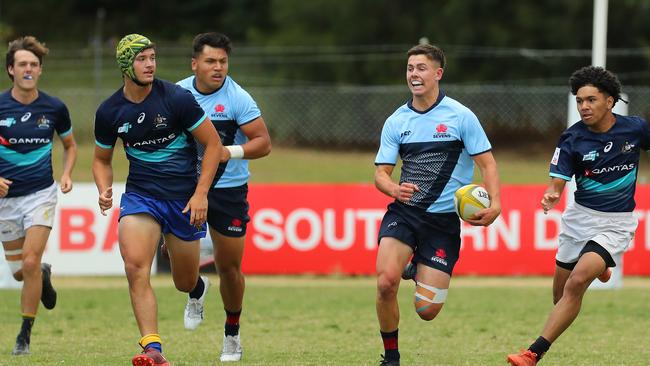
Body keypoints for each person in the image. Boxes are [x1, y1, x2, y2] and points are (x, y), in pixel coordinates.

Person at [92, 33, 222, 366]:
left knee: (182, 280)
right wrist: (103, 188)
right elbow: (101, 160)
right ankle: (153, 349)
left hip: (183, 200)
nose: (150, 64)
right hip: (141, 197)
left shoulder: (177, 98)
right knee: (136, 266)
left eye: (153, 57)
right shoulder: (109, 111)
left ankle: (196, 290)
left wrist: (201, 193)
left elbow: (213, 145)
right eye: (142, 59)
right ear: (125, 64)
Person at [506, 66, 649, 365]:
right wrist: (552, 194)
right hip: (579, 220)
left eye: (591, 100)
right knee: (560, 297)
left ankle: (533, 353)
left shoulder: (635, 129)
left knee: (576, 284)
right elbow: (557, 182)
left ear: (610, 101)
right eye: (579, 100)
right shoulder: (571, 138)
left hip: (616, 223)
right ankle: (599, 266)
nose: (584, 106)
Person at [374, 43, 501, 366]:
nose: (414, 75)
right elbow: (381, 174)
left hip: (443, 223)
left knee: (427, 311)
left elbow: (487, 164)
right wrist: (393, 189)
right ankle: (391, 358)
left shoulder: (461, 117)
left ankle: (415, 266)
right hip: (404, 212)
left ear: (438, 73)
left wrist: (496, 203)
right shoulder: (396, 121)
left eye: (421, 68)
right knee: (386, 281)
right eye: (410, 69)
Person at [176, 32, 271, 362]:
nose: (218, 68)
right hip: (186, 189)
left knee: (229, 267)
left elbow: (263, 142)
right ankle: (196, 290)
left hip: (228, 192)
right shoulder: (178, 94)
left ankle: (232, 333)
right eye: (210, 61)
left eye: (223, 62)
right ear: (195, 64)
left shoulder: (238, 98)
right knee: (181, 268)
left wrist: (228, 152)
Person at [0, 36, 77, 356]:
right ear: (10, 70)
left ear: (40, 70)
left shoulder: (55, 107)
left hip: (41, 195)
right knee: (22, 271)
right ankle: (42, 274)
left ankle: (24, 336)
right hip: (6, 201)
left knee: (30, 261)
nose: (28, 69)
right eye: (22, 64)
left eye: (33, 64)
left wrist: (67, 173)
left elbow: (70, 145)